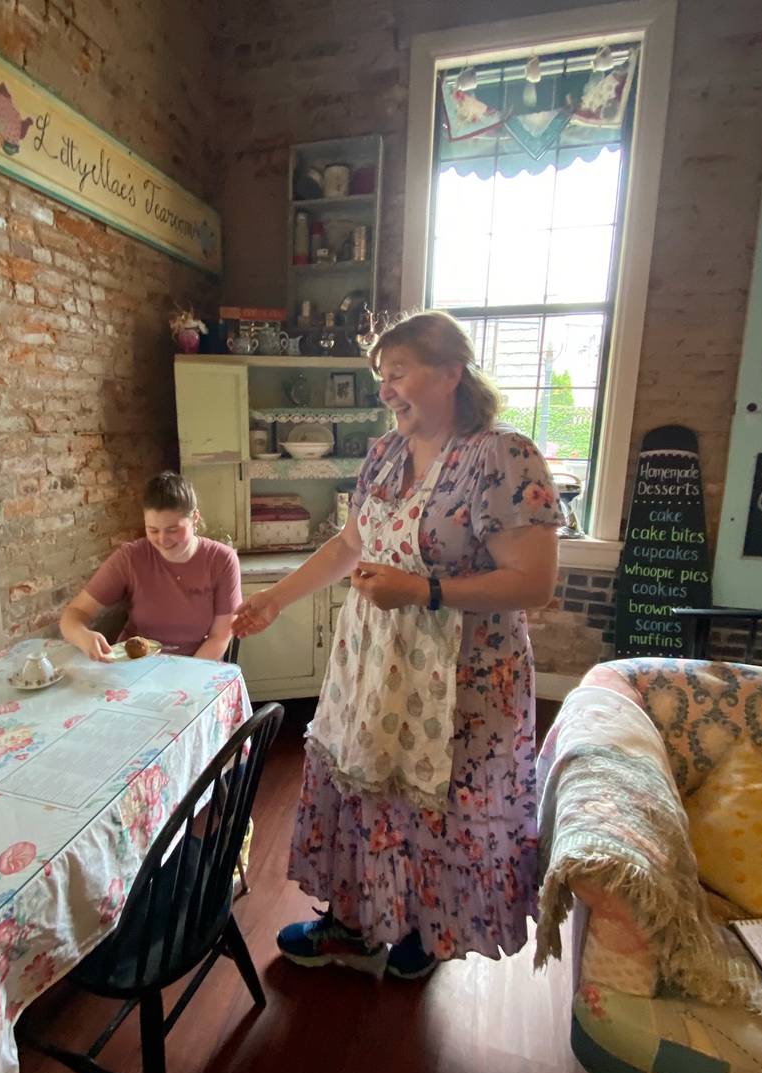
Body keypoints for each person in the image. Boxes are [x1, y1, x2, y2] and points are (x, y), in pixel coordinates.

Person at [232, 311, 562, 978]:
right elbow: (350, 545)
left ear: (449, 373)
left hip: (465, 678)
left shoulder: (503, 454)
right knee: (366, 789)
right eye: (381, 377)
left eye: (399, 373)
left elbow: (534, 583)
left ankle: (426, 925)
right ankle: (354, 922)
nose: (386, 390)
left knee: (437, 803)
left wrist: (423, 591)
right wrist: (274, 599)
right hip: (374, 664)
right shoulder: (385, 451)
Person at [60, 471, 241, 662]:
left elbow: (220, 636)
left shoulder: (222, 560)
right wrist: (84, 636)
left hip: (197, 664)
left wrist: (186, 676)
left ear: (195, 518)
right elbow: (73, 614)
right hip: (136, 665)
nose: (162, 540)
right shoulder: (130, 557)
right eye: (153, 530)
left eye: (173, 530)